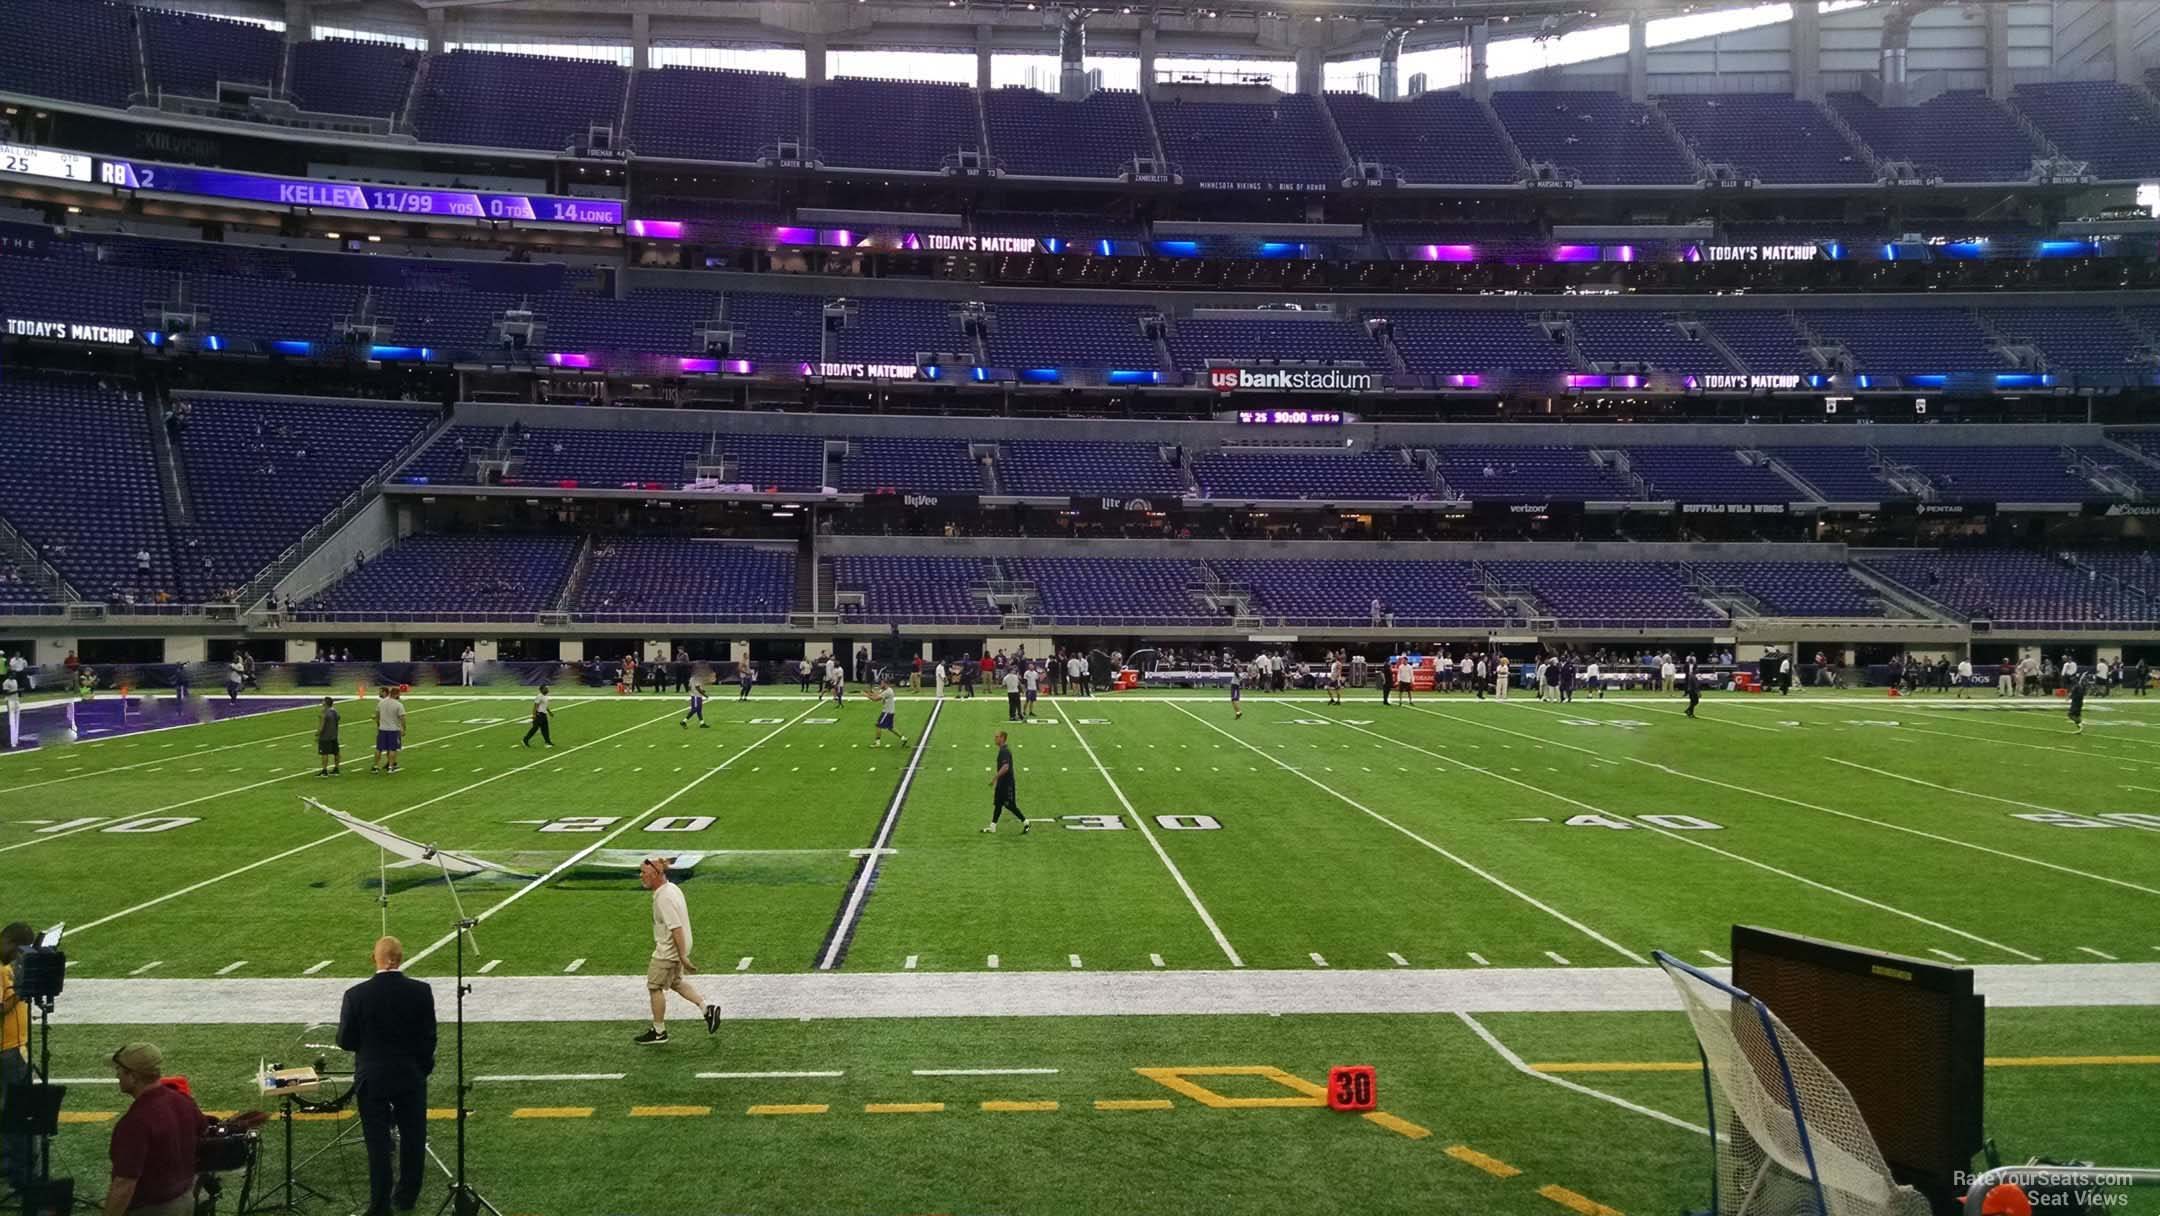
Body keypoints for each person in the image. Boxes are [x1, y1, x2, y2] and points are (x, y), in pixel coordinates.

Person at [338, 937, 437, 1216]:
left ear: (374, 958)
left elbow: (345, 1040)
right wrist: (421, 1069)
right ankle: (407, 1196)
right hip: (410, 1074)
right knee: (413, 1136)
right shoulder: (421, 991)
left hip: (373, 1076)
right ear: (401, 958)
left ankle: (380, 1205)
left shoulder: (356, 995)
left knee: (378, 1142)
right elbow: (429, 1037)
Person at [104, 1042, 206, 1216]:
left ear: (133, 1076)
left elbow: (124, 1184)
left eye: (119, 1070)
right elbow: (202, 1129)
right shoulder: (183, 1100)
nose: (117, 1075)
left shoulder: (135, 1122)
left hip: (153, 1209)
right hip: (186, 1201)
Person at [636, 856, 720, 1045]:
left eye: (644, 872)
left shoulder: (664, 898)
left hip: (669, 949)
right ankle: (707, 1009)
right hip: (677, 946)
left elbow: (676, 928)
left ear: (656, 874)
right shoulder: (672, 888)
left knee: (654, 987)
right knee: (676, 982)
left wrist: (682, 956)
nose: (641, 876)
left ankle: (659, 1032)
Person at [1, 923, 34, 1197]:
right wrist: (20, 989)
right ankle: (20, 1173)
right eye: (17, 951)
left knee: (11, 1110)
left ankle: (8, 1162)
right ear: (9, 942)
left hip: (12, 1048)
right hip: (5, 1052)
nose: (17, 957)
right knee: (17, 1112)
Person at [982, 730, 1028, 834]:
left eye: (997, 737)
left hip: (1007, 784)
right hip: (1002, 783)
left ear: (1002, 738)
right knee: (998, 804)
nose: (995, 738)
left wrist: (995, 778)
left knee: (1010, 805)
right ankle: (992, 827)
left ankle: (1026, 822)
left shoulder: (1004, 751)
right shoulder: (1002, 750)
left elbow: (1006, 767)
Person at [372, 687, 406, 773]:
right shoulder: (398, 704)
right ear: (397, 694)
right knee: (392, 749)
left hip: (382, 728)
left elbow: (377, 716)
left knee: (379, 748)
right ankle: (391, 767)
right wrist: (403, 729)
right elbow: (402, 718)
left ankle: (375, 766)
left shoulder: (381, 702)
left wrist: (379, 725)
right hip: (393, 729)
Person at [866, 679, 908, 748]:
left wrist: (867, 695)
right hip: (890, 712)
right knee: (891, 728)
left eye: (882, 683)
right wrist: (870, 693)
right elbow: (877, 695)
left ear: (885, 684)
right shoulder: (888, 690)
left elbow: (875, 699)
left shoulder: (887, 692)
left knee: (878, 725)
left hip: (886, 712)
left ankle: (877, 743)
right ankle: (903, 738)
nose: (880, 685)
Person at [316, 696, 341, 777]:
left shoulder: (324, 713)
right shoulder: (335, 711)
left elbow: (322, 726)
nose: (322, 702)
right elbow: (338, 718)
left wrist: (318, 733)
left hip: (325, 736)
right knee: (336, 752)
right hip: (334, 735)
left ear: (325, 703)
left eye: (323, 701)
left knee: (324, 753)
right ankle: (336, 769)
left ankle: (324, 771)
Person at [2068, 669, 2090, 733]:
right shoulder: (2077, 685)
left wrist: (2072, 696)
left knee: (2071, 715)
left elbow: (2079, 694)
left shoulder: (2077, 686)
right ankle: (2080, 728)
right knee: (2077, 715)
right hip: (2078, 702)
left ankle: (2080, 725)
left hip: (2076, 702)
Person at [1683, 653, 1702, 718]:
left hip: (1691, 690)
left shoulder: (1692, 676)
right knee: (1695, 701)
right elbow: (1695, 685)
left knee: (1693, 702)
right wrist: (1698, 692)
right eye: (1697, 669)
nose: (1698, 670)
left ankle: (1690, 713)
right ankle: (1688, 710)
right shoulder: (1693, 676)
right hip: (1692, 691)